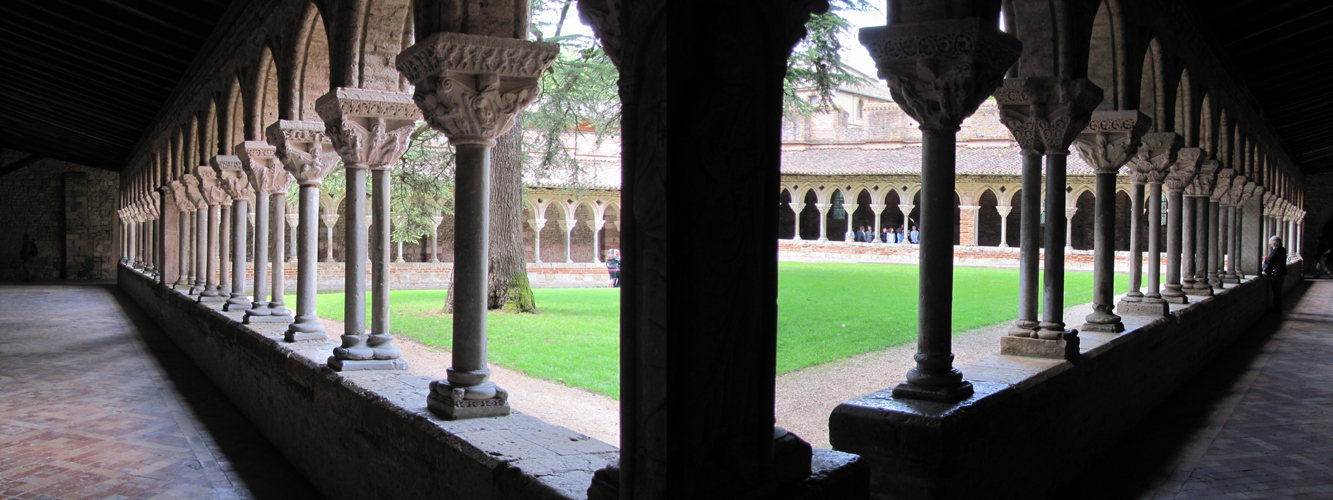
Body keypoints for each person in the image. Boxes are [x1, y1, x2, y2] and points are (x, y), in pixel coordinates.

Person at [1262, 236, 1287, 313]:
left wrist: (1266, 259)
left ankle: (1277, 309)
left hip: (1276, 273)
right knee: (1278, 291)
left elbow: (1270, 261)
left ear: (1274, 243)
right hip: (1282, 272)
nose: (1271, 245)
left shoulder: (1277, 250)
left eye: (1271, 244)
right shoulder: (1283, 249)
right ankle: (1277, 308)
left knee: (1276, 291)